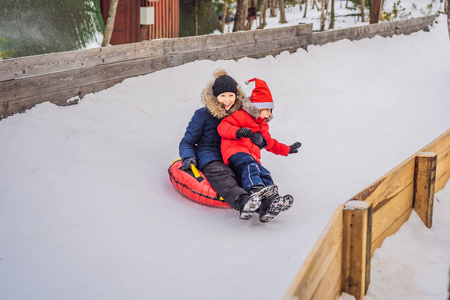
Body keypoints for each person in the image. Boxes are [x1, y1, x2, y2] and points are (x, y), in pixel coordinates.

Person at [179, 70, 276, 220]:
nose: (227, 100)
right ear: (215, 97)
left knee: (255, 170)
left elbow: (252, 137)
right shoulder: (202, 115)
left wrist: (260, 142)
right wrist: (188, 157)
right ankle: (243, 202)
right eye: (223, 96)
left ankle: (268, 203)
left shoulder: (240, 114)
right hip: (211, 155)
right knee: (224, 176)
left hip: (235, 153)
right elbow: (188, 141)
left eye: (231, 95)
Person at [217, 77, 301, 222]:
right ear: (256, 107)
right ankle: (255, 189)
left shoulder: (262, 126)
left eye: (270, 110)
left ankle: (271, 203)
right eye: (266, 110)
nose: (269, 114)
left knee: (264, 173)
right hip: (235, 151)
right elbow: (223, 127)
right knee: (250, 167)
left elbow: (270, 143)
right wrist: (238, 132)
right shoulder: (241, 116)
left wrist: (287, 149)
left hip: (251, 156)